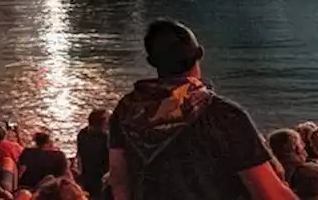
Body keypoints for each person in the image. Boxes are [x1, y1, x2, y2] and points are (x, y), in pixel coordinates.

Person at [108, 19, 296, 200]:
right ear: (199, 54)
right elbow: (269, 193)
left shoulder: (127, 111)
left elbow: (119, 181)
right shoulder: (224, 115)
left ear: (152, 61)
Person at [75, 110, 110, 198]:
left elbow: (79, 156)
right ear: (102, 122)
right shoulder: (106, 138)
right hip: (102, 178)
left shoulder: (82, 133)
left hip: (87, 176)